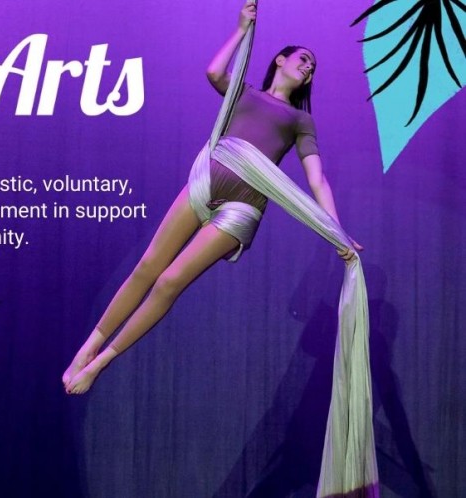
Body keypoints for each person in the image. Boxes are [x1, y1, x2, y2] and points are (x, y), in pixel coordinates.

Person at [62, 0, 362, 395]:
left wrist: (335, 230)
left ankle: (99, 365)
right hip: (205, 182)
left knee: (169, 282)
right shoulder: (243, 93)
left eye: (313, 68)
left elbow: (317, 179)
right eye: (304, 59)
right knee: (147, 267)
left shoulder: (300, 120)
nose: (309, 68)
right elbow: (214, 72)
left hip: (241, 207)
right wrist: (241, 29)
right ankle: (87, 349)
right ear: (280, 59)